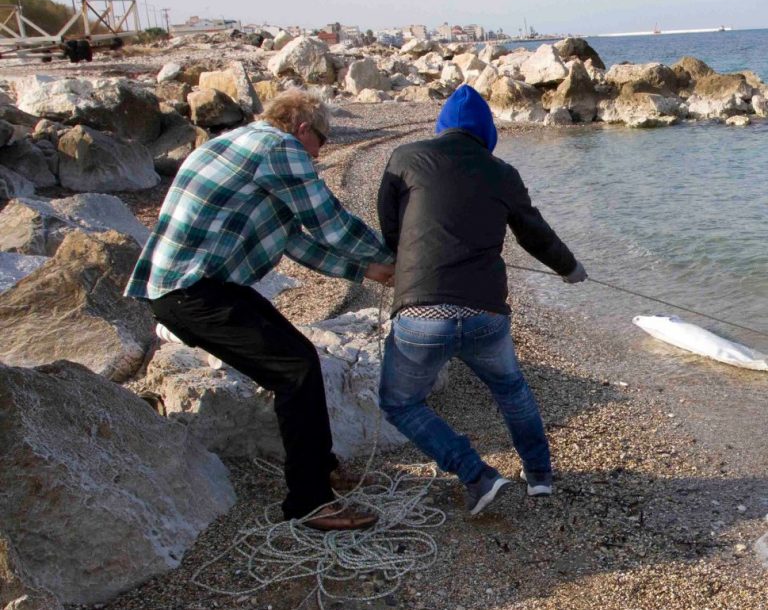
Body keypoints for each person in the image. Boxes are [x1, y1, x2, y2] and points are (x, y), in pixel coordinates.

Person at [125, 89, 395, 531]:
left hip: (194, 287)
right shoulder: (279, 147)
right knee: (296, 370)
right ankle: (309, 503)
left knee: (299, 356)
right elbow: (327, 218)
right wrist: (390, 255)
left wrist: (367, 269)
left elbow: (295, 240)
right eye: (321, 143)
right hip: (192, 292)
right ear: (304, 127)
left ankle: (321, 466)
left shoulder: (236, 143)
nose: (318, 156)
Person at [376, 84, 587, 515]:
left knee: (400, 402)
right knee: (511, 390)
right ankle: (540, 476)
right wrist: (569, 268)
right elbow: (534, 233)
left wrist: (404, 265)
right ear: (486, 132)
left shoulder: (406, 158)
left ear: (442, 127)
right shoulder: (503, 173)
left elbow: (391, 226)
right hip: (484, 315)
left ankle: (476, 474)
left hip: (422, 313)